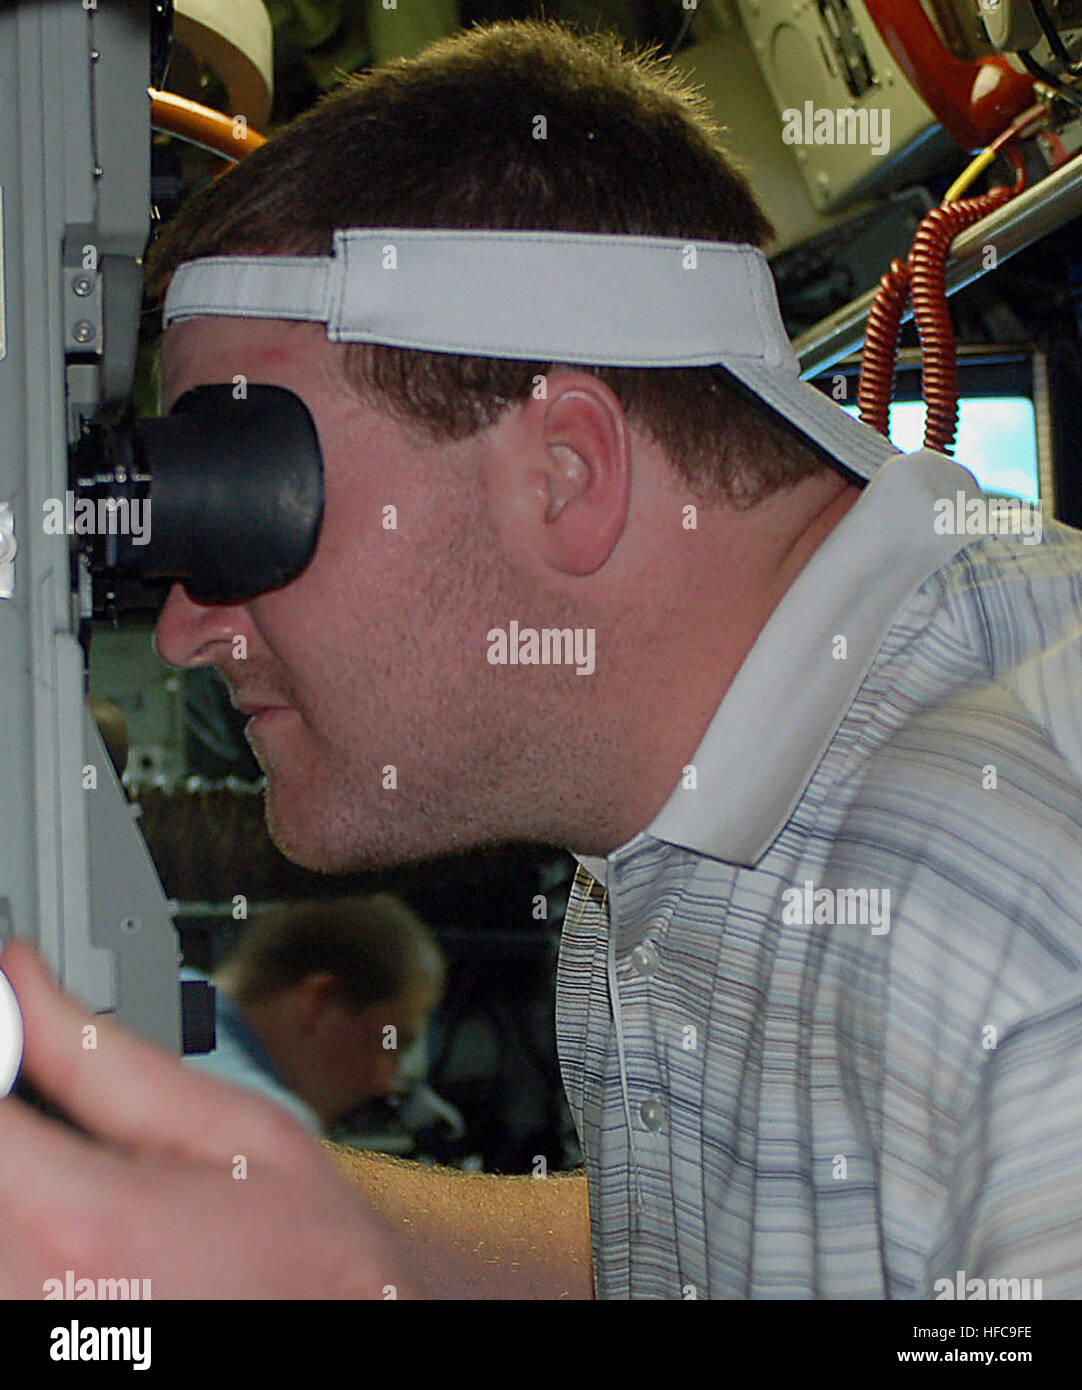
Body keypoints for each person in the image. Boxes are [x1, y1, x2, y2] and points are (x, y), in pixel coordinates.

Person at [2, 18, 1081, 1300]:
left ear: (563, 472)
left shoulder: (1008, 850)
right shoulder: (680, 819)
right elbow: (703, 1249)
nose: (185, 626)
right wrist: (213, 1207)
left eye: (235, 502)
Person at [182, 895, 446, 1137]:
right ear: (319, 1001)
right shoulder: (271, 1131)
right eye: (390, 1044)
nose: (385, 1083)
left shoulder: (155, 994)